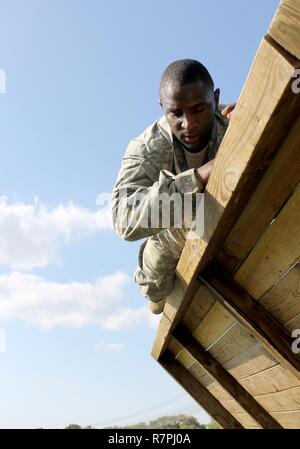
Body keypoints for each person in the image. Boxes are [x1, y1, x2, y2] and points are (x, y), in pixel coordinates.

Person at [112, 59, 234, 314]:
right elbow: (123, 219)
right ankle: (155, 290)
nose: (188, 124)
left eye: (199, 109)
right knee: (190, 213)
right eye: (176, 113)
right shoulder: (146, 148)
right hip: (174, 238)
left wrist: (259, 123)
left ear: (216, 97)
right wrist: (198, 177)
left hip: (230, 223)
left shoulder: (236, 121)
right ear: (162, 108)